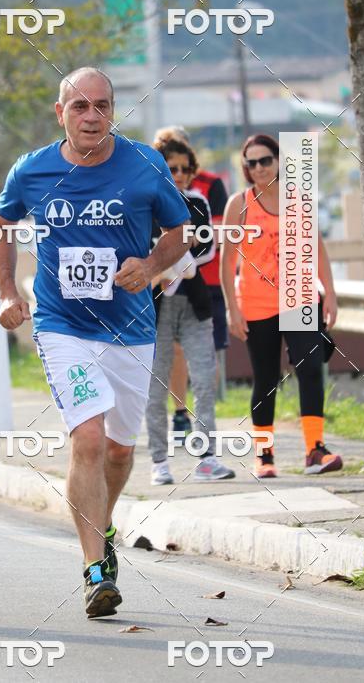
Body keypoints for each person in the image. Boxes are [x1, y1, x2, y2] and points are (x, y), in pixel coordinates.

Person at [0, 67, 190, 618]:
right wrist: (8, 293)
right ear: (61, 114)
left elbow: (180, 234)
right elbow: (0, 226)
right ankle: (95, 567)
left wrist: (149, 265)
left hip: (131, 329)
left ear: (113, 111)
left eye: (102, 105)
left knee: (121, 451)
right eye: (80, 107)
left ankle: (100, 524)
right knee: (89, 440)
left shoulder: (144, 163)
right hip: (62, 327)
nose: (92, 116)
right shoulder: (33, 170)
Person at [220, 133, 342, 478]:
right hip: (256, 303)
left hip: (300, 296)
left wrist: (329, 292)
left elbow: (315, 247)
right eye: (251, 162)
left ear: (278, 161)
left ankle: (314, 450)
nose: (258, 168)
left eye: (265, 160)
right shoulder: (238, 204)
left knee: (310, 369)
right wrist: (232, 307)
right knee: (266, 378)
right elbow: (227, 263)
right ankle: (264, 455)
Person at [146, 135, 235, 484]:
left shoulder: (198, 202)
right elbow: (145, 249)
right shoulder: (147, 204)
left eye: (185, 168)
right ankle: (159, 463)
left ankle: (207, 458)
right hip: (157, 306)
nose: (180, 175)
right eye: (172, 168)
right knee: (156, 383)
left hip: (195, 302)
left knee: (203, 376)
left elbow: (207, 250)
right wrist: (175, 259)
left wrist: (171, 260)